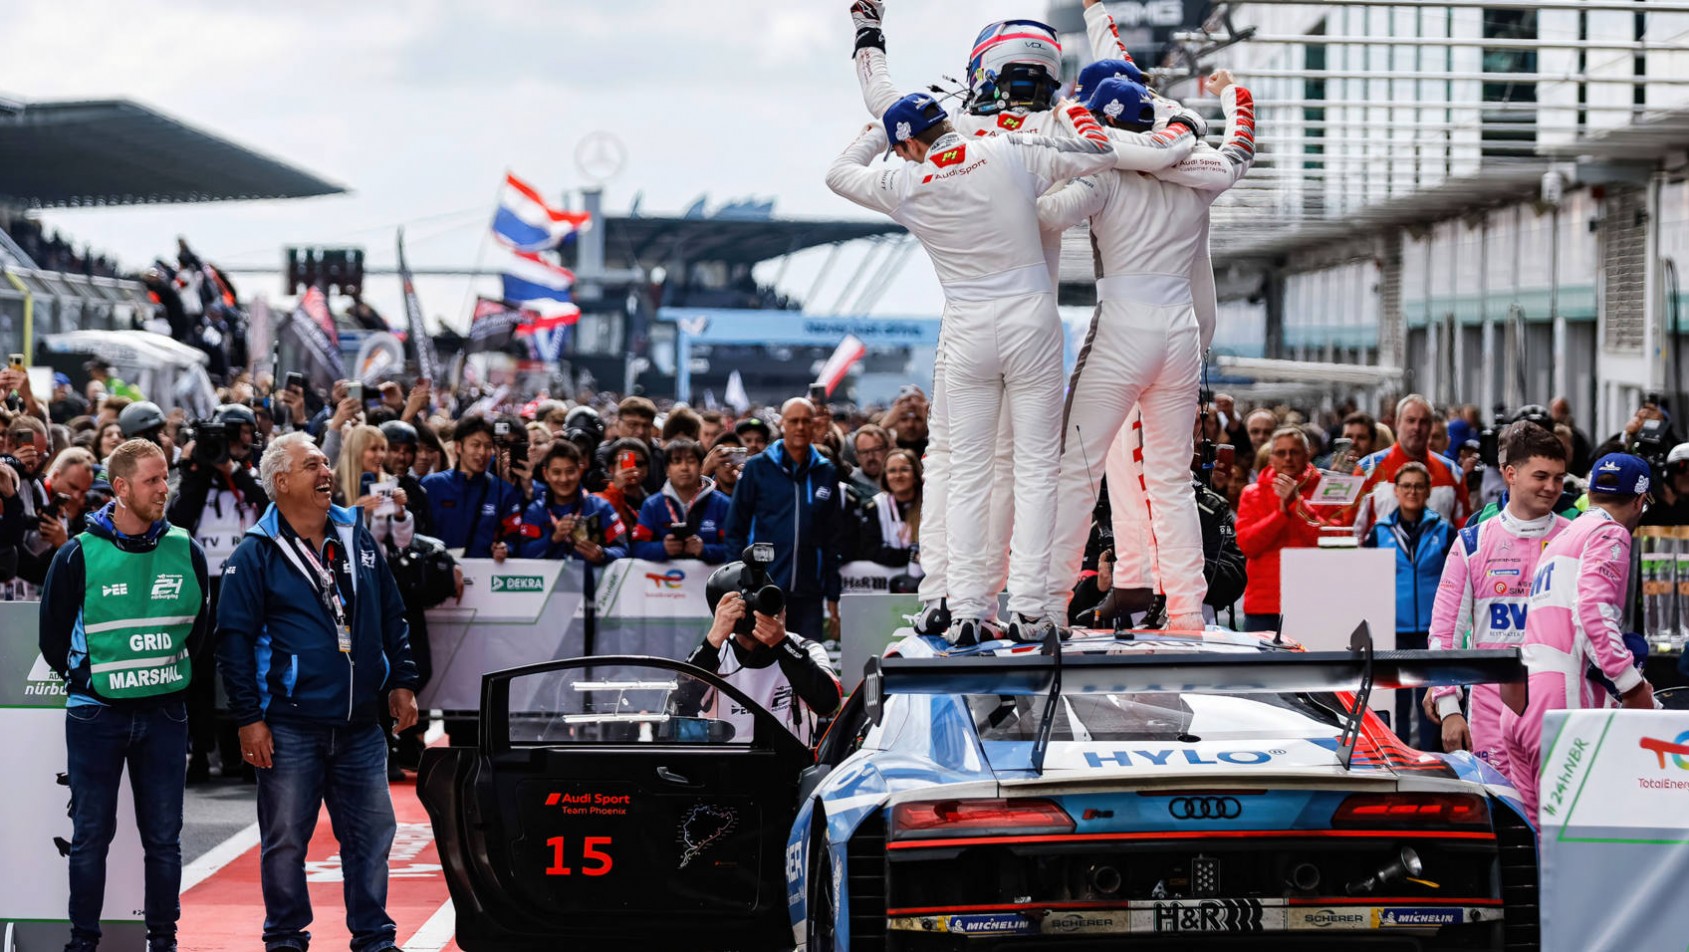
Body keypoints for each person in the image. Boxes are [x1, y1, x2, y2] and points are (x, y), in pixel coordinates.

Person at [828, 91, 1191, 645]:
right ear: (946, 121)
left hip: (968, 329)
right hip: (1031, 320)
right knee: (1037, 468)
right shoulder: (1006, 148)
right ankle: (1029, 607)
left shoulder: (901, 183)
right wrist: (1069, 106)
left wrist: (876, 129)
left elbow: (838, 173)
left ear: (905, 143)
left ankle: (962, 606)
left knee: (968, 472)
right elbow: (1095, 149)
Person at [1038, 69, 1256, 633]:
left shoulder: (1104, 177)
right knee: (1171, 481)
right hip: (1180, 334)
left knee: (1076, 472)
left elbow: (1047, 212)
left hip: (1120, 330)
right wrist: (1233, 91)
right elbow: (1242, 146)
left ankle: (1046, 608)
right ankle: (1186, 610)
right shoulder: (1198, 179)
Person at [216, 431, 420, 952]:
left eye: (327, 463)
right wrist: (248, 718)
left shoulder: (356, 536)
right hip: (289, 725)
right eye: (313, 465)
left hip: (360, 724)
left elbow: (393, 613)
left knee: (373, 838)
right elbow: (232, 643)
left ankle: (374, 937)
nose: (326, 471)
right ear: (281, 482)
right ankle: (285, 937)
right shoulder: (256, 552)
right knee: (285, 842)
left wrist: (401, 680)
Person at [40, 439, 211, 952]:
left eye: (166, 478)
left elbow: (200, 631)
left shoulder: (186, 548)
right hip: (97, 714)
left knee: (164, 841)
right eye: (152, 480)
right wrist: (93, 680)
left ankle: (163, 943)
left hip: (163, 711)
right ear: (120, 488)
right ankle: (82, 944)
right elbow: (52, 640)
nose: (164, 489)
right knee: (91, 837)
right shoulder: (77, 553)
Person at [1500, 453, 1657, 823]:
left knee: (1541, 837)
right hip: (1559, 699)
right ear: (1639, 501)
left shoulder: (1563, 535)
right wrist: (1632, 686)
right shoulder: (1610, 533)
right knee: (1575, 833)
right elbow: (1592, 613)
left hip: (1520, 697)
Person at [1425, 423, 1570, 771]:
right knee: (1501, 817)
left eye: (1559, 477)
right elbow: (1444, 633)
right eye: (1541, 476)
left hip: (1561, 708)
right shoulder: (1473, 542)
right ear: (1509, 474)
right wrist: (1449, 711)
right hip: (1490, 711)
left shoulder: (1576, 539)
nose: (1551, 487)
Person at [680, 562, 842, 744]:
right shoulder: (716, 653)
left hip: (791, 765)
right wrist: (714, 638)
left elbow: (829, 704)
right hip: (726, 766)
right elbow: (679, 706)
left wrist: (782, 645)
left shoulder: (804, 648)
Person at [724, 399, 844, 643]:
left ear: (814, 425)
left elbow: (833, 538)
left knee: (805, 663)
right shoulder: (758, 468)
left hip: (809, 592)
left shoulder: (826, 472)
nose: (800, 427)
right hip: (763, 588)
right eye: (794, 421)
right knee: (761, 664)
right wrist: (738, 584)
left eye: (806, 421)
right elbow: (736, 528)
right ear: (782, 425)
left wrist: (833, 595)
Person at [1361, 462, 1454, 748]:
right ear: (1396, 491)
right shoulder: (1380, 531)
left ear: (1428, 492)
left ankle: (1431, 757)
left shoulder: (1444, 530)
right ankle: (1397, 754)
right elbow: (1367, 579)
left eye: (1418, 486)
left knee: (1430, 700)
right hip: (1394, 628)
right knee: (1396, 701)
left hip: (1430, 629)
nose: (1412, 491)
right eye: (1406, 486)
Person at [1235, 427, 1335, 632]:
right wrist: (1280, 515)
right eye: (1281, 453)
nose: (1288, 458)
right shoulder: (1251, 493)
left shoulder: (1326, 491)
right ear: (1271, 457)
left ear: (1308, 455)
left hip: (1314, 600)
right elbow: (1247, 545)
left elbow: (1330, 540)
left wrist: (1296, 505)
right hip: (1264, 606)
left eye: (1294, 452)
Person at [1350, 394, 1470, 536]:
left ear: (1431, 426)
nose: (1416, 428)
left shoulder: (1453, 473)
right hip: (1381, 557)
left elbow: (1463, 531)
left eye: (1423, 422)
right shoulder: (1367, 470)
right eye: (1411, 420)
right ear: (1397, 423)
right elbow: (1351, 531)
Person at [420, 414, 525, 558]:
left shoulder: (503, 491)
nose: (482, 452)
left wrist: (506, 549)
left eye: (488, 446)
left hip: (486, 575)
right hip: (439, 574)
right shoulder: (431, 485)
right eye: (475, 445)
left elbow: (514, 537)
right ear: (458, 447)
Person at [519, 441, 627, 563]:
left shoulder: (600, 507)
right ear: (545, 474)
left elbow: (623, 548)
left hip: (591, 581)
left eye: (570, 471)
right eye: (556, 472)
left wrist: (602, 554)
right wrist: (553, 539)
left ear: (580, 471)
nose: (564, 479)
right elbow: (523, 553)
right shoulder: (535, 511)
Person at [633, 438, 731, 564]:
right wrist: (662, 548)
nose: (684, 467)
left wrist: (705, 550)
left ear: (700, 467)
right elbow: (636, 547)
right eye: (677, 461)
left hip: (710, 582)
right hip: (663, 582)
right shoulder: (652, 505)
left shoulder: (723, 504)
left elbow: (735, 547)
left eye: (691, 461)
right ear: (667, 470)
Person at [853, 448, 922, 568]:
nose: (898, 476)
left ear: (915, 475)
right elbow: (870, 550)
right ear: (885, 476)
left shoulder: (929, 506)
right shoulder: (875, 507)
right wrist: (911, 555)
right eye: (892, 471)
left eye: (904, 470)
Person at [377, 420, 433, 535]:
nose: (401, 457)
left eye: (407, 450)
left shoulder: (417, 489)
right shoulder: (377, 484)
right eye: (395, 449)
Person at [596, 436, 652, 535]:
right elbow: (599, 522)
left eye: (638, 464)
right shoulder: (597, 499)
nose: (632, 468)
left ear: (646, 470)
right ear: (611, 469)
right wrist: (616, 488)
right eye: (625, 463)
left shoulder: (653, 502)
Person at [845, 424, 891, 506]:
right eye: (864, 452)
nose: (871, 457)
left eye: (876, 450)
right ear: (857, 456)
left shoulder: (898, 479)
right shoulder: (849, 487)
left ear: (887, 450)